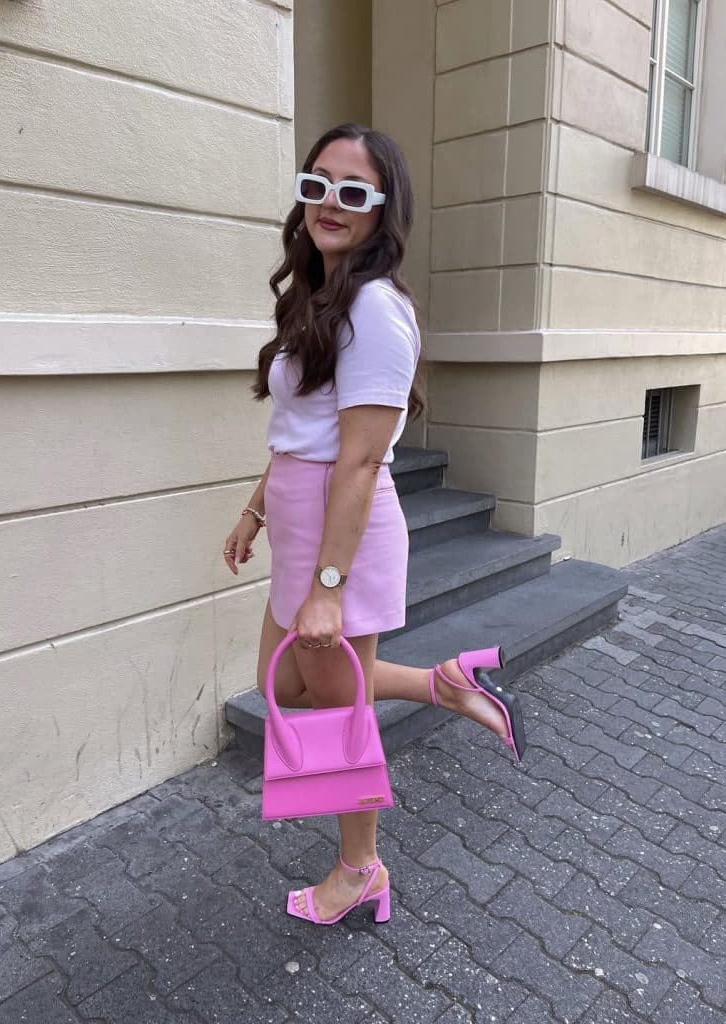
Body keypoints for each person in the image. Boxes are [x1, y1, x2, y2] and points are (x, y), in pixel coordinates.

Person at [223, 123, 525, 927]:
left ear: (382, 210)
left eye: (353, 191)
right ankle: (445, 684)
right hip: (300, 522)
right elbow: (301, 434)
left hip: (341, 534)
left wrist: (328, 585)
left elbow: (357, 461)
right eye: (316, 183)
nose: (330, 202)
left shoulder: (378, 309)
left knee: (336, 708)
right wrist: (255, 510)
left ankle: (361, 867)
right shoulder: (319, 299)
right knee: (286, 685)